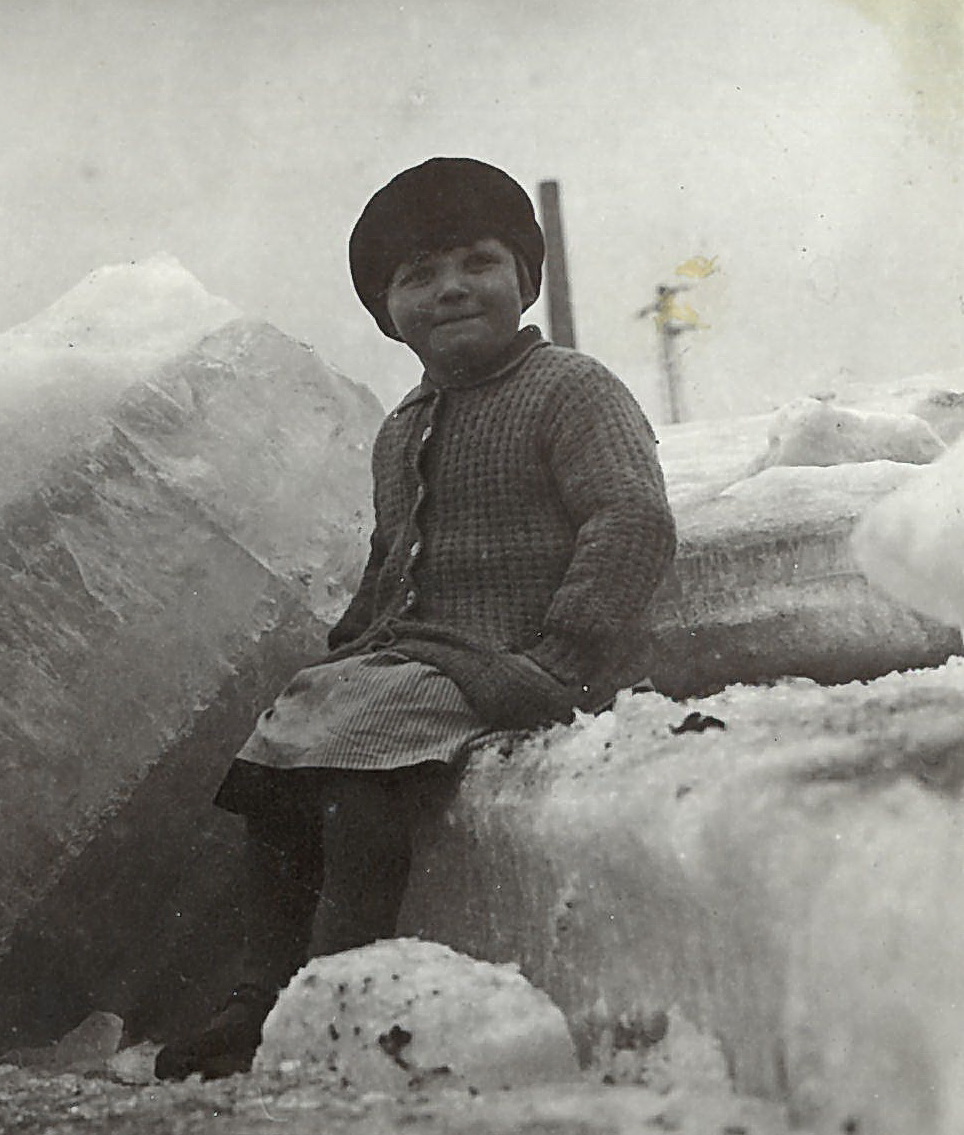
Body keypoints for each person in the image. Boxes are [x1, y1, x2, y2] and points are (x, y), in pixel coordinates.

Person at [154, 157, 677, 1080]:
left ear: (524, 276)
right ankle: (257, 993)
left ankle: (335, 986)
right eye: (417, 275)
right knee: (278, 752)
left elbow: (630, 518)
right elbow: (391, 558)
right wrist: (347, 650)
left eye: (476, 261)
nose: (450, 290)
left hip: (523, 654)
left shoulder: (570, 388)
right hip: (423, 660)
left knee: (359, 763)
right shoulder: (404, 425)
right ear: (386, 310)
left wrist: (565, 653)